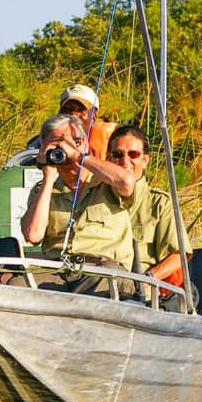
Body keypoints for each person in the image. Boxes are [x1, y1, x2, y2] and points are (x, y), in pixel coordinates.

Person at [20, 113, 137, 297]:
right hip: (58, 270)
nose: (65, 149)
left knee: (102, 286)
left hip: (101, 270)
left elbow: (127, 182)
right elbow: (33, 235)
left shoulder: (106, 180)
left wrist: (79, 156)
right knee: (17, 285)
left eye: (74, 140)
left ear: (85, 143)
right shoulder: (43, 190)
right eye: (58, 143)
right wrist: (49, 175)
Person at [107, 125, 193, 290]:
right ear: (108, 159)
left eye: (133, 154)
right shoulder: (93, 196)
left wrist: (145, 280)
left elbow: (178, 256)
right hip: (95, 288)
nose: (125, 161)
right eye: (117, 154)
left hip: (140, 299)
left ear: (145, 160)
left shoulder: (160, 203)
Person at [22, 83, 117, 162]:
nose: (73, 115)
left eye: (81, 110)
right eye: (67, 109)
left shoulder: (112, 142)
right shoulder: (41, 142)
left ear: (94, 117)